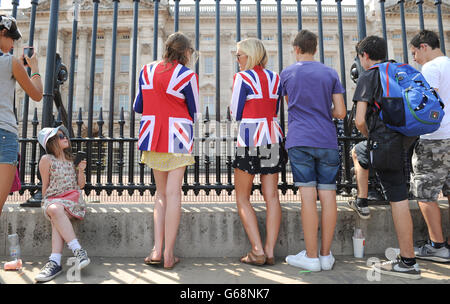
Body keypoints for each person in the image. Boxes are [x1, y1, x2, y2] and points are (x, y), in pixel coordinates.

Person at [353, 35, 421, 279]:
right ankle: (407, 259)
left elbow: (359, 119)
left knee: (398, 200)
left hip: (383, 143)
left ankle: (408, 262)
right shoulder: (400, 70)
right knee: (399, 196)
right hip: (405, 141)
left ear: (365, 56)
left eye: (360, 57)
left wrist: (370, 135)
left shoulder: (369, 75)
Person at [281, 30, 346, 272]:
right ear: (315, 49)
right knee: (328, 196)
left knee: (307, 197)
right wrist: (323, 111)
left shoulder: (287, 73)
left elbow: (291, 105)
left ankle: (310, 257)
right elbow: (340, 112)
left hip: (300, 138)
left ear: (296, 49)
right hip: (327, 139)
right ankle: (326, 256)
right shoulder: (330, 72)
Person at [134, 32, 199, 270]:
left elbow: (137, 106)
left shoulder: (146, 70)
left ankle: (156, 249)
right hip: (178, 135)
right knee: (174, 194)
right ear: (186, 52)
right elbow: (195, 111)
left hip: (153, 135)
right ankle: (170, 254)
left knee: (160, 195)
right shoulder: (187, 75)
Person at [230, 38, 286, 266]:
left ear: (250, 56)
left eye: (239, 55)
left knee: (242, 197)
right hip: (272, 136)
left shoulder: (242, 78)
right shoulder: (275, 78)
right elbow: (274, 109)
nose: (237, 59)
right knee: (271, 196)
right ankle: (270, 250)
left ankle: (256, 250)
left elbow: (235, 113)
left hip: (250, 138)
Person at [409, 30, 450, 262]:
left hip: (435, 139)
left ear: (424, 47)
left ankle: (437, 246)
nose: (414, 58)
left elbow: (427, 105)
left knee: (425, 193)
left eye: (415, 52)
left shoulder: (431, 68)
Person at [0, 15, 43, 216]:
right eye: (12, 39)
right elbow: (36, 94)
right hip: (3, 133)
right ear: (3, 33)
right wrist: (34, 70)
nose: (12, 44)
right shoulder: (10, 62)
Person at [35, 126, 89, 282]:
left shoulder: (72, 160)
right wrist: (49, 202)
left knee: (56, 214)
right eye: (60, 136)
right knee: (55, 211)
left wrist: (81, 170)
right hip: (54, 200)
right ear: (51, 142)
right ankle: (76, 252)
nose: (65, 137)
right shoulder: (47, 160)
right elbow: (45, 187)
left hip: (72, 200)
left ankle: (55, 262)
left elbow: (80, 186)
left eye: (64, 135)